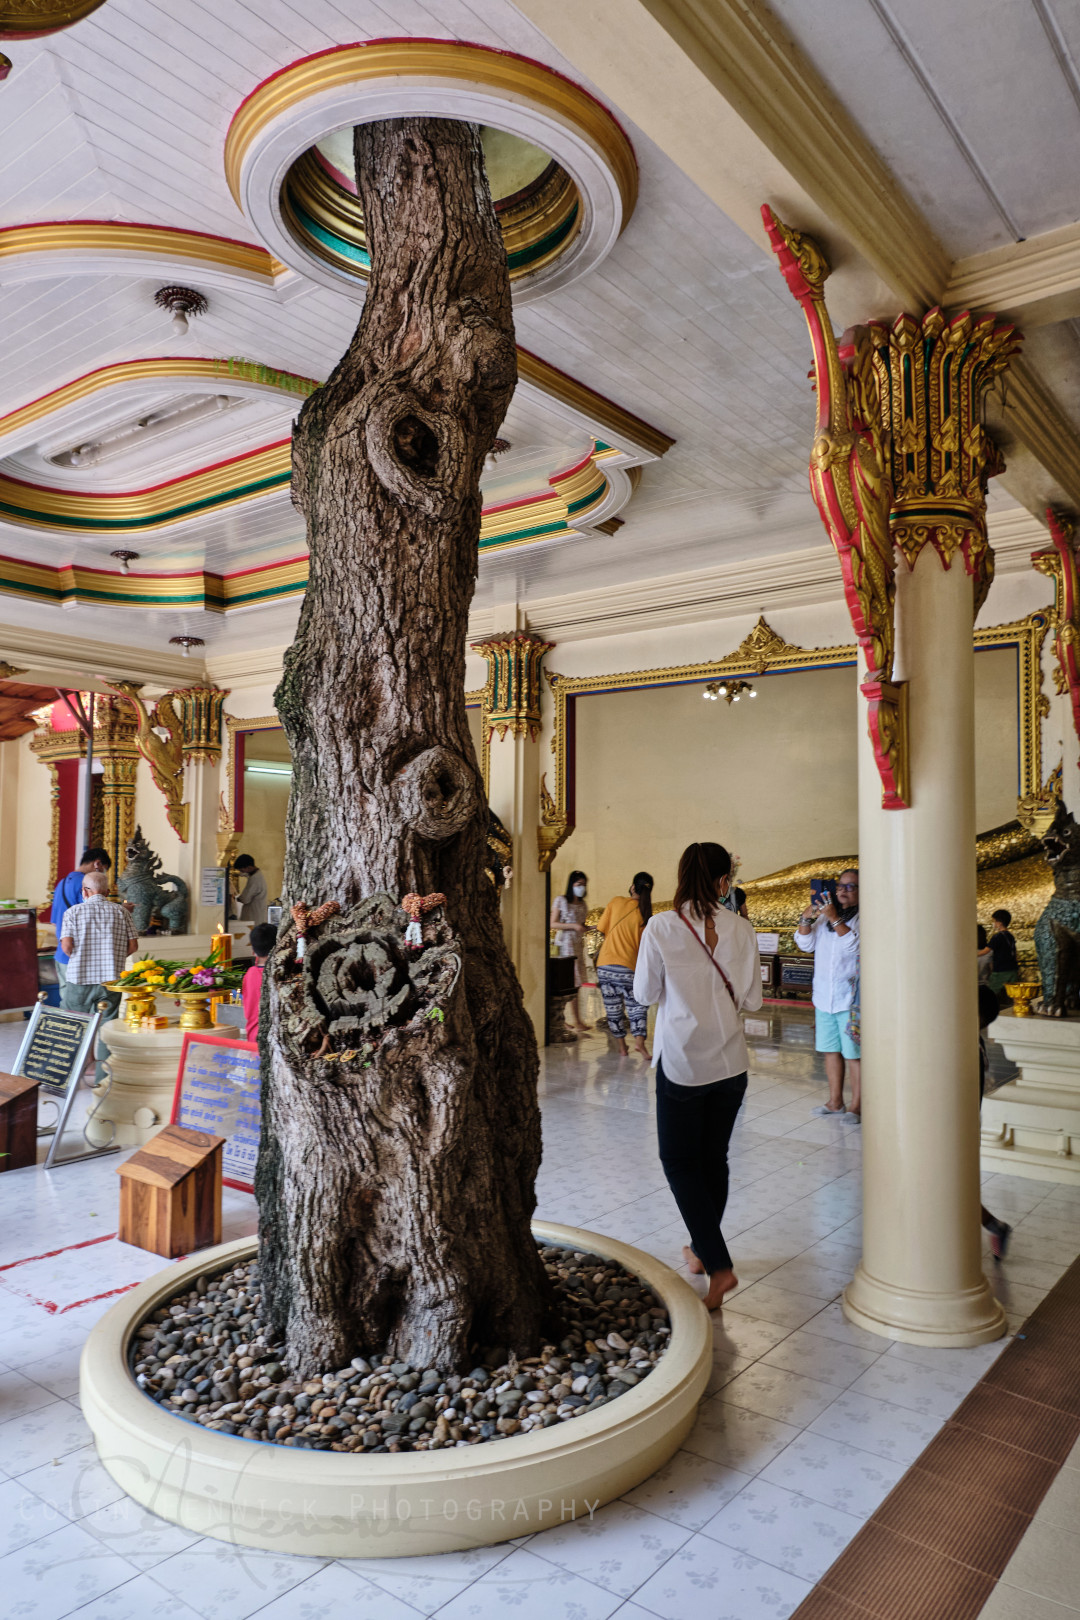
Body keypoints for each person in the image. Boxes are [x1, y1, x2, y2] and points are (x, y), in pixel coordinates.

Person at [634, 841, 762, 1310]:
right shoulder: (742, 930)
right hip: (730, 1062)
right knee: (714, 1160)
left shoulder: (662, 926)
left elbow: (644, 993)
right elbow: (752, 1001)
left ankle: (720, 1266)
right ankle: (700, 1252)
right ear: (724, 880)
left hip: (683, 1063)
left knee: (679, 1163)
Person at [59, 870, 138, 1082]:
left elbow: (66, 946)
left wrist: (79, 956)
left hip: (80, 980)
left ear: (85, 891)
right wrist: (114, 958)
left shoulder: (73, 912)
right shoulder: (122, 912)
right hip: (111, 980)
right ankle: (103, 1080)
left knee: (74, 1026)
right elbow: (133, 945)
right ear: (108, 891)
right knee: (107, 1027)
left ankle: (67, 1077)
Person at [796, 869, 861, 1118]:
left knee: (853, 1054)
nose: (843, 891)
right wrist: (806, 918)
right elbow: (805, 944)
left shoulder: (864, 918)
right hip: (824, 996)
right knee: (830, 1050)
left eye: (851, 886)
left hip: (850, 998)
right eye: (840, 886)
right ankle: (835, 1101)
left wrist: (834, 917)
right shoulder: (824, 918)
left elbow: (855, 946)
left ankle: (856, 1105)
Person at [596, 873, 654, 1057]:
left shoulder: (616, 902)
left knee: (613, 1007)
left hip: (605, 964)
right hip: (629, 967)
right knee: (637, 1005)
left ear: (632, 887)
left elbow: (602, 929)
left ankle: (622, 1047)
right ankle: (640, 1044)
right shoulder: (646, 915)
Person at [978, 982, 1011, 1259]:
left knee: (950, 1190)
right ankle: (995, 1226)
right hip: (953, 1129)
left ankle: (995, 1226)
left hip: (956, 1130)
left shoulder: (971, 1051)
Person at [50, 847, 112, 987]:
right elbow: (96, 918)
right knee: (84, 1007)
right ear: (97, 864)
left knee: (66, 1005)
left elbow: (54, 922)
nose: (102, 875)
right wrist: (121, 911)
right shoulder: (85, 884)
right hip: (79, 957)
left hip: (61, 954)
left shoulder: (62, 883)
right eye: (103, 870)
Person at [551, 870, 589, 1034]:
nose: (581, 888)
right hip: (565, 943)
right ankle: (562, 1019)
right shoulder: (561, 900)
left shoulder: (582, 904)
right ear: (571, 885)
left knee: (577, 982)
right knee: (567, 982)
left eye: (583, 885)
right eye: (578, 884)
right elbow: (553, 923)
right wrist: (573, 926)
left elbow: (582, 924)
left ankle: (576, 1019)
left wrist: (587, 928)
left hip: (578, 944)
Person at [242, 922, 277, 1043]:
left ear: (253, 950)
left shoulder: (250, 974)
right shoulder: (280, 974)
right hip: (277, 1038)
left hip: (253, 1037)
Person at [987, 909, 1019, 996]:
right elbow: (1015, 953)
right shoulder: (1010, 936)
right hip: (1013, 969)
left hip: (1000, 970)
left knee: (991, 993)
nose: (993, 923)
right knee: (1014, 994)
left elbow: (985, 951)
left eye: (994, 921)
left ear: (999, 923)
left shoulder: (997, 937)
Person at [233, 854, 269, 926]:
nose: (241, 872)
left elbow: (245, 899)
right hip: (256, 914)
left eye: (242, 870)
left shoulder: (255, 879)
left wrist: (236, 898)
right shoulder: (255, 875)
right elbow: (244, 874)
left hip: (254, 916)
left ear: (249, 867)